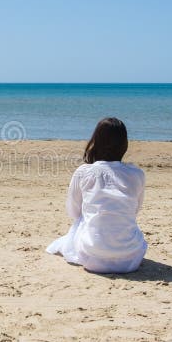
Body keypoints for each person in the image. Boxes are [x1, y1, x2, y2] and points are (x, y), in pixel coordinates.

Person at [46, 117, 147, 273]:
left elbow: (73, 212)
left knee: (83, 218)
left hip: (92, 256)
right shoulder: (137, 174)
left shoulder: (84, 172)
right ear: (124, 144)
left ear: (96, 141)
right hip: (131, 258)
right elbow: (134, 211)